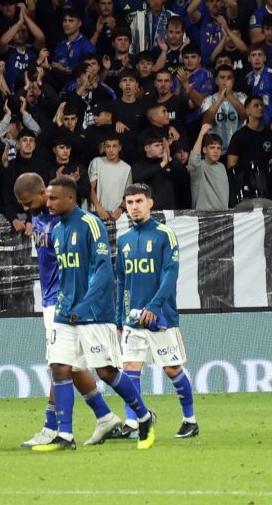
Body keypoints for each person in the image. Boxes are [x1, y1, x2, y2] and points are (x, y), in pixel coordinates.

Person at [33, 174, 155, 451]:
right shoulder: (58, 231)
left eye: (53, 198)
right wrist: (66, 305)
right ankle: (65, 435)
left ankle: (144, 416)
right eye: (47, 197)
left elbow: (102, 269)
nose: (48, 202)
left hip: (95, 313)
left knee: (107, 371)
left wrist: (84, 305)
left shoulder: (91, 223)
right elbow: (66, 274)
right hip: (66, 312)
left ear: (70, 199)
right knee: (60, 366)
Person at [14, 172, 124, 448]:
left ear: (44, 193)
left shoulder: (64, 219)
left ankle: (53, 427)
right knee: (69, 365)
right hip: (51, 299)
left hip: (66, 301)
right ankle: (105, 416)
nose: (26, 210)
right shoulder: (39, 218)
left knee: (60, 364)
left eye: (29, 203)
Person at [117, 184, 196, 440]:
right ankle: (133, 421)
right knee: (130, 368)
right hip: (132, 320)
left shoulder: (165, 234)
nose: (134, 207)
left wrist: (154, 306)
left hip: (160, 318)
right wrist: (119, 317)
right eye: (129, 202)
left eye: (139, 201)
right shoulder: (124, 240)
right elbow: (121, 281)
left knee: (171, 369)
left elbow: (170, 274)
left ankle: (190, 420)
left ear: (150, 203)